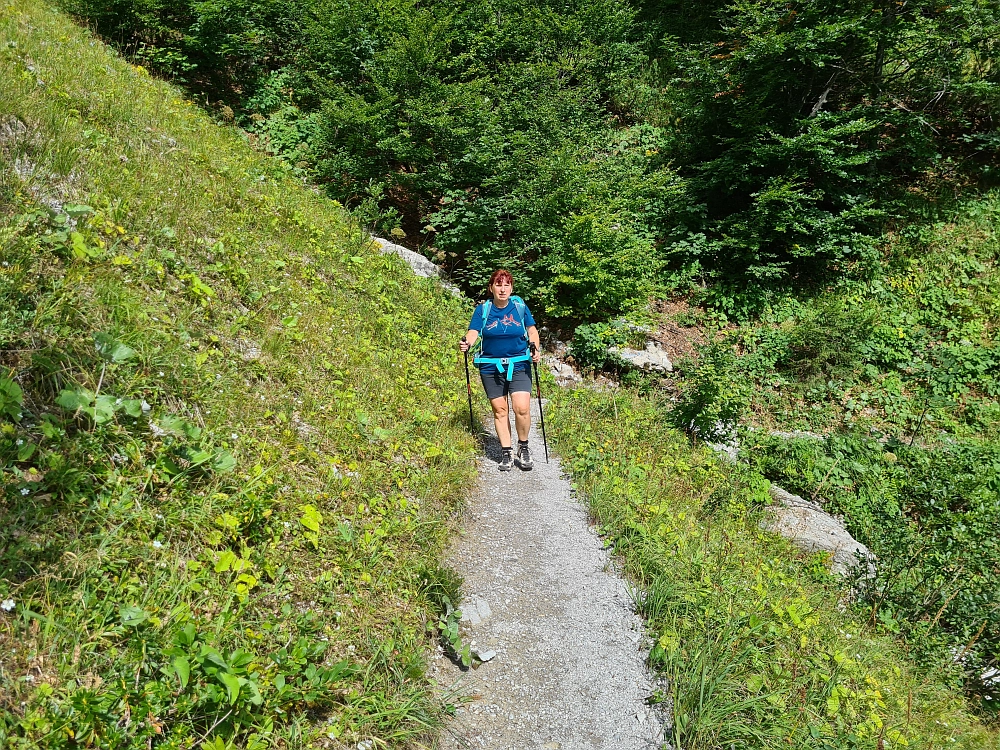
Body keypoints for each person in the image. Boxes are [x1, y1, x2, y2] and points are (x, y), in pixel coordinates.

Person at [460, 269, 541, 471]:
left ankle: (523, 447)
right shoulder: (483, 309)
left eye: (506, 285)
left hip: (520, 363)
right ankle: (506, 451)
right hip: (490, 365)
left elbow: (532, 331)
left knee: (521, 408)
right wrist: (467, 343)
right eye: (498, 284)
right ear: (491, 288)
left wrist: (535, 348)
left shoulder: (519, 306)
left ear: (511, 288)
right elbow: (473, 332)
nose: (502, 289)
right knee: (500, 410)